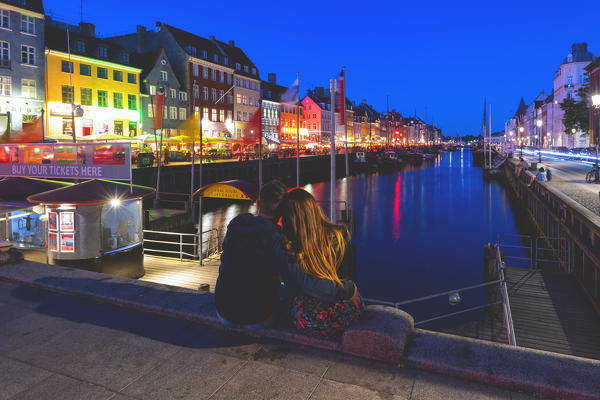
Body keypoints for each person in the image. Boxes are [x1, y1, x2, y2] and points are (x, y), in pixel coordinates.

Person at [215, 181, 358, 330]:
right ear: (282, 213)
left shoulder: (237, 223)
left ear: (258, 203)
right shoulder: (277, 239)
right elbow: (304, 282)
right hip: (255, 318)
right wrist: (347, 289)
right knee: (288, 295)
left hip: (223, 312)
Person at [277, 188, 363, 338]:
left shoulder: (289, 246)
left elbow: (295, 287)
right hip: (344, 312)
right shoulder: (340, 235)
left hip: (308, 320)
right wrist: (349, 289)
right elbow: (350, 275)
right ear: (314, 209)